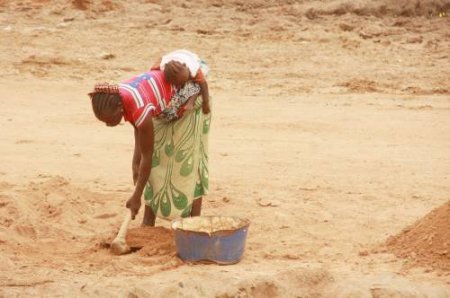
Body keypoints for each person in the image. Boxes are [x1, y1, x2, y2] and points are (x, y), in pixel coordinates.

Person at [89, 66, 211, 225]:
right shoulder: (118, 96)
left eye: (109, 120)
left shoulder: (139, 106)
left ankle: (194, 224)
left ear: (119, 108)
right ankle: (148, 222)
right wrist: (135, 162)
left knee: (186, 163)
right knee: (153, 165)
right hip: (166, 108)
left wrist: (136, 196)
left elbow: (148, 155)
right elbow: (138, 130)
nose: (107, 124)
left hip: (190, 103)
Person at [151, 49, 210, 118]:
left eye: (184, 82)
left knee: (201, 78)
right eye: (176, 84)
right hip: (174, 57)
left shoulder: (194, 69)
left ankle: (191, 100)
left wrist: (205, 103)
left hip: (198, 61)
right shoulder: (159, 67)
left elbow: (204, 85)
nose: (181, 85)